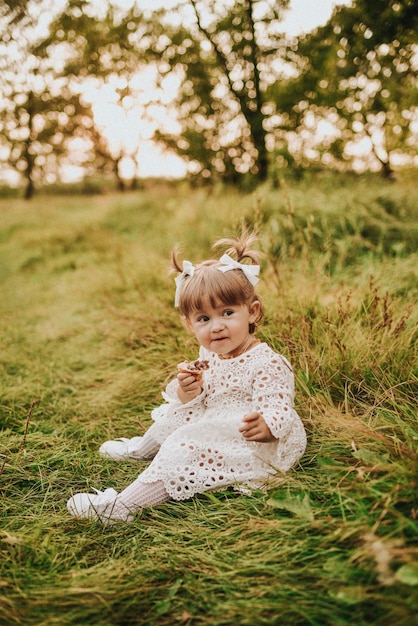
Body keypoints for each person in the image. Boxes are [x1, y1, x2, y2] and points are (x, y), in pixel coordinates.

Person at [67, 232, 307, 524]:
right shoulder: (210, 352)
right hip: (216, 417)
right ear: (190, 325)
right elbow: (201, 397)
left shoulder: (267, 362)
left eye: (228, 313)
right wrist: (189, 391)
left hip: (251, 440)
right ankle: (141, 450)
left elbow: (278, 404)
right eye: (204, 319)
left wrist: (268, 425)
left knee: (184, 446)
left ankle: (122, 508)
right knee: (177, 412)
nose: (216, 327)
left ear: (252, 313)